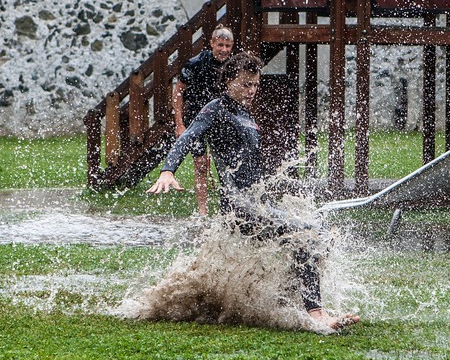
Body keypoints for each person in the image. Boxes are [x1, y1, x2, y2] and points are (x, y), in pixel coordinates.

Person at [149, 51, 359, 331]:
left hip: (257, 203)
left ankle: (293, 304)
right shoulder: (215, 108)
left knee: (317, 232)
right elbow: (187, 137)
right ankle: (316, 315)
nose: (252, 90)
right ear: (228, 81)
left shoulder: (244, 113)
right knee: (305, 235)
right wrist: (168, 170)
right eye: (246, 84)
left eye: (256, 85)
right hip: (239, 207)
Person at [172, 26, 234, 215]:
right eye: (220, 45)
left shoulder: (233, 65)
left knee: (227, 165)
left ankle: (229, 208)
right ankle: (202, 211)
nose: (224, 50)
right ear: (212, 43)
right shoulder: (195, 63)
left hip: (221, 120)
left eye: (228, 46)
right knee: (200, 164)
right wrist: (180, 124)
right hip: (196, 119)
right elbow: (178, 92)